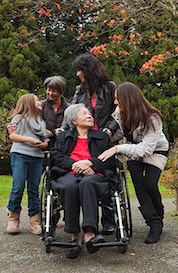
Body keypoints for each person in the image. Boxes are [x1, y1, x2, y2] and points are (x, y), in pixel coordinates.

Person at [98, 82, 169, 244]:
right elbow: (121, 133)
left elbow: (145, 149)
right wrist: (105, 138)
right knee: (139, 185)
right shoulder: (121, 113)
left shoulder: (153, 118)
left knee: (150, 184)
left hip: (155, 151)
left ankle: (159, 212)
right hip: (133, 149)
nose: (115, 103)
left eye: (117, 99)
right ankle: (153, 223)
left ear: (128, 99)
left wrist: (117, 149)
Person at [51, 104, 117, 258]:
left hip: (95, 175)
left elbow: (111, 160)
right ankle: (74, 236)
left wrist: (91, 163)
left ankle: (89, 233)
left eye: (90, 113)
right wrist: (74, 165)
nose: (89, 116)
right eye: (84, 113)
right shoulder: (63, 136)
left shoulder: (102, 137)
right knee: (69, 186)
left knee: (87, 183)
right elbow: (55, 156)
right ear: (73, 120)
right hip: (69, 173)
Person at [69, 53, 119, 234]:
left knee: (105, 174)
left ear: (87, 70)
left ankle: (109, 219)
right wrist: (64, 130)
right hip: (84, 137)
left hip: (104, 138)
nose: (77, 74)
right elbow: (72, 112)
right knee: (87, 175)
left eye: (79, 70)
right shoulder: (79, 90)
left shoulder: (110, 87)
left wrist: (110, 130)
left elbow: (118, 111)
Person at [6, 94, 50, 235]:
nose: (40, 101)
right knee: (18, 187)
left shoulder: (41, 122)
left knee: (33, 189)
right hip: (20, 155)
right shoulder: (19, 118)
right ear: (29, 103)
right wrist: (30, 140)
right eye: (37, 100)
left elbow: (44, 138)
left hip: (37, 157)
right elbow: (12, 136)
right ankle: (13, 217)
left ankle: (34, 221)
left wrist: (44, 144)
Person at [41, 75, 70, 149]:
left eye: (54, 91)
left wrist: (53, 132)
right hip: (43, 145)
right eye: (48, 90)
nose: (50, 93)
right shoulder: (41, 105)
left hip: (62, 146)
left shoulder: (69, 108)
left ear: (61, 92)